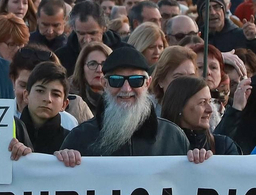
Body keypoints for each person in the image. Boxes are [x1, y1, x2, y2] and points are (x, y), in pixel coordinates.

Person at [57, 45, 195, 162]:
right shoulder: (80, 138)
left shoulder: (172, 137)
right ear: (104, 83)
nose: (126, 89)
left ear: (147, 83)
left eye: (136, 80)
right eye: (116, 80)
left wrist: (199, 159)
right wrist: (64, 159)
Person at [161, 76, 242, 155]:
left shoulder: (223, 147)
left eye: (210, 101)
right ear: (180, 106)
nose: (210, 110)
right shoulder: (158, 148)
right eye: (202, 102)